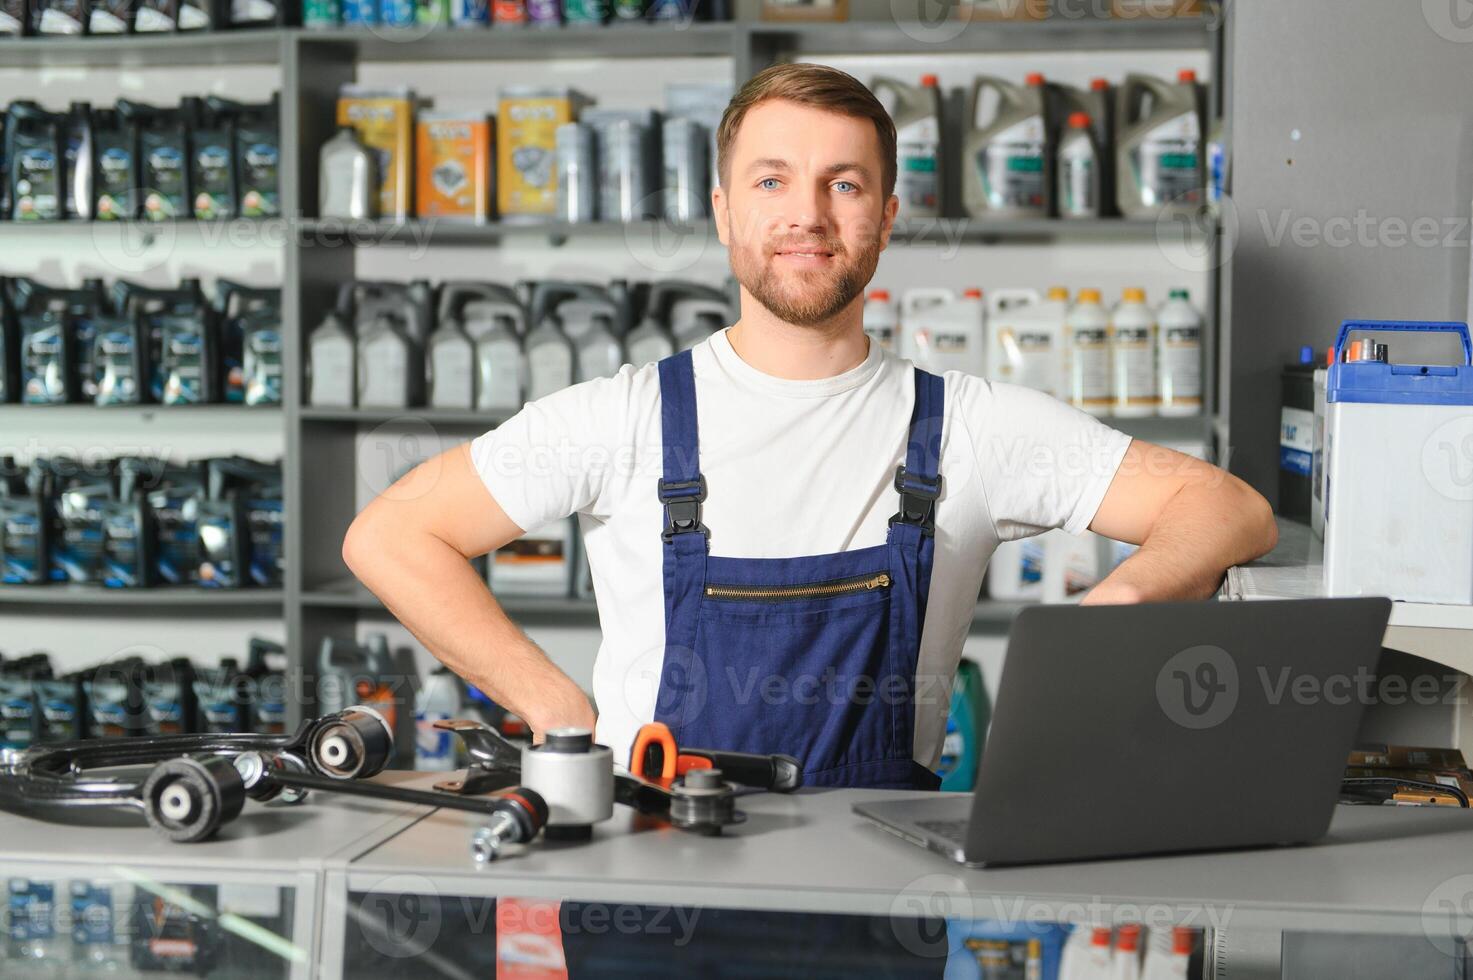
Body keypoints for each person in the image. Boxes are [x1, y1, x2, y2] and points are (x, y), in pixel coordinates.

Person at [343, 62, 1276, 789]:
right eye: (771, 181)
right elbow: (390, 533)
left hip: (871, 894)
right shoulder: (621, 415)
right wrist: (554, 706)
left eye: (843, 185)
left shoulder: (969, 427)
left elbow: (1227, 508)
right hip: (654, 890)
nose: (806, 216)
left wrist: (1120, 605)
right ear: (721, 211)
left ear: (886, 216)